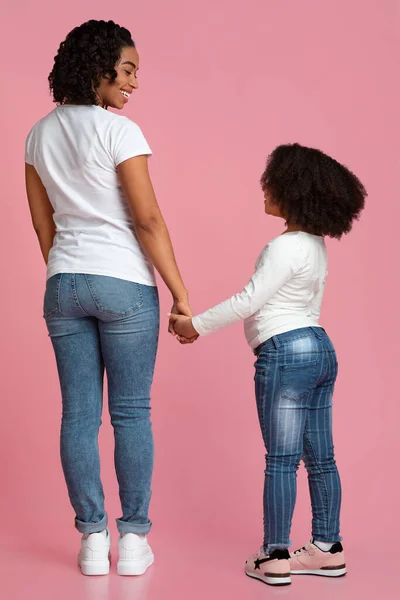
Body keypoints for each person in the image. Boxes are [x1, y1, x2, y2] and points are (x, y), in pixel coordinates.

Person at [25, 19, 193, 576]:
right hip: (123, 282)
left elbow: (43, 226)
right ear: (98, 71)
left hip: (63, 283)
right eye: (126, 72)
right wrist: (180, 291)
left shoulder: (38, 134)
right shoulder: (120, 132)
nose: (134, 84)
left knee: (78, 415)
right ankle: (136, 539)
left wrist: (63, 270)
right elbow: (147, 220)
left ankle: (92, 540)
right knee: (130, 413)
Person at [169, 143, 366, 587]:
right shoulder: (315, 247)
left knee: (281, 460)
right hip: (321, 349)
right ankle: (327, 548)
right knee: (322, 459)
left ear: (292, 192)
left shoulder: (283, 247)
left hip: (285, 352)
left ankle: (274, 556)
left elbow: (249, 300)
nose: (264, 188)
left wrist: (194, 325)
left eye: (271, 182)